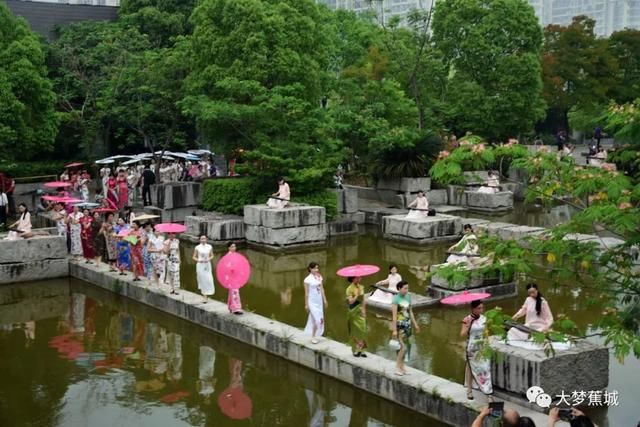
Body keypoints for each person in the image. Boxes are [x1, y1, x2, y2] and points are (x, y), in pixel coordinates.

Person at [507, 283, 557, 349]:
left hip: (540, 328)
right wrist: (516, 316)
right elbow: (523, 310)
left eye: (533, 292)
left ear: (537, 290)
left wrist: (546, 327)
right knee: (512, 331)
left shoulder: (543, 302)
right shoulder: (528, 299)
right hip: (529, 327)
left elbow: (549, 317)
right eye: (529, 293)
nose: (532, 294)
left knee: (534, 341)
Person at [460, 300, 492, 400]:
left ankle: (488, 393)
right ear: (473, 309)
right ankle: (469, 390)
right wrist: (468, 326)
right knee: (470, 368)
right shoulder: (466, 319)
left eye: (482, 308)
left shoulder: (484, 318)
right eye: (479, 308)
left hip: (482, 347)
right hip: (472, 347)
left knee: (486, 368)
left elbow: (486, 332)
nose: (481, 310)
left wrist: (487, 342)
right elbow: (462, 334)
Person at [390, 281, 420, 376]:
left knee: (406, 347)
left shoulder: (408, 297)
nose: (406, 290)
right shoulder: (395, 299)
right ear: (399, 289)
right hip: (399, 326)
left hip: (408, 325)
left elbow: (410, 312)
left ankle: (402, 367)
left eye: (407, 288)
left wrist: (415, 325)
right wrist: (394, 330)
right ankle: (397, 367)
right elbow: (394, 316)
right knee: (403, 348)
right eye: (405, 288)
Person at [304, 262, 328, 344]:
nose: (316, 270)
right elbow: (306, 293)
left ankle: (315, 334)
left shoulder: (319, 277)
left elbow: (322, 289)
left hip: (319, 300)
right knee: (316, 319)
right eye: (314, 268)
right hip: (312, 301)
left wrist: (324, 300)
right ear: (310, 269)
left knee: (319, 318)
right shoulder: (307, 280)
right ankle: (313, 336)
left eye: (317, 268)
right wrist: (306, 304)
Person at [346, 276, 367, 357]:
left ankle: (362, 349)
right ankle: (356, 349)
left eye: (360, 277)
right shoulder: (349, 289)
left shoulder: (361, 287)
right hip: (353, 310)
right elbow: (350, 302)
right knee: (354, 330)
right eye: (357, 278)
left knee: (363, 329)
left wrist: (364, 310)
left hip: (360, 310)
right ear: (352, 279)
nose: (359, 279)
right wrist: (357, 295)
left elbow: (364, 300)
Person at [193, 235, 215, 303]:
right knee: (202, 280)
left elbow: (212, 255)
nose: (203, 240)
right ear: (200, 240)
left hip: (207, 264)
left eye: (204, 238)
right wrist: (199, 260)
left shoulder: (209, 246)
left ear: (206, 239)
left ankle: (208, 293)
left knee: (209, 279)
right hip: (200, 265)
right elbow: (194, 257)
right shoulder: (197, 247)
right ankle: (204, 297)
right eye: (202, 239)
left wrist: (209, 259)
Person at [226, 242, 243, 314]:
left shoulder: (235, 255)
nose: (234, 248)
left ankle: (230, 306)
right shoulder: (228, 256)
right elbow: (227, 267)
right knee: (235, 291)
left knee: (232, 292)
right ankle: (236, 309)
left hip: (236, 275)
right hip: (231, 276)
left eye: (235, 246)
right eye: (232, 247)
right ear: (229, 248)